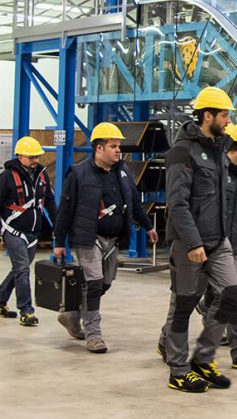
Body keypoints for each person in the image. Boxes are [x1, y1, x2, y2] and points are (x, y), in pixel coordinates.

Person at [156, 120, 237, 371]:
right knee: (186, 299)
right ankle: (168, 342)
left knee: (236, 296)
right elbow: (184, 205)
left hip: (233, 244)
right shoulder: (214, 169)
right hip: (206, 244)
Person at [163, 86, 237, 393]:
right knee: (184, 304)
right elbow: (178, 203)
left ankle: (203, 357)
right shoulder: (181, 152)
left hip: (218, 239)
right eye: (223, 115)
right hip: (189, 243)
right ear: (206, 115)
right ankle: (179, 369)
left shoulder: (220, 149)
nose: (227, 121)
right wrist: (194, 243)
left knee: (233, 294)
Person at [53, 123, 158, 352]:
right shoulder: (78, 173)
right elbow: (65, 209)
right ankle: (93, 334)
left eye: (119, 146)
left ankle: (71, 316)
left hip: (113, 239)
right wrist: (59, 242)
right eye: (113, 146)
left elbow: (134, 202)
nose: (118, 150)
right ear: (99, 149)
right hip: (89, 238)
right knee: (92, 284)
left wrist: (148, 226)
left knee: (104, 284)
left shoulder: (123, 172)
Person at [0, 136, 57, 326]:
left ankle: (0, 300)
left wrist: (57, 225)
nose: (35, 161)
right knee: (23, 269)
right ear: (20, 156)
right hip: (13, 230)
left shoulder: (42, 175)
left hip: (34, 233)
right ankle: (26, 311)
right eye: (31, 157)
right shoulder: (7, 177)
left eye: (37, 157)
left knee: (19, 269)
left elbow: (48, 200)